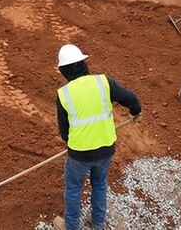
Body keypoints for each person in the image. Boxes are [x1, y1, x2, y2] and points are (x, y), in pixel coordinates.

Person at [53, 44, 141, 230]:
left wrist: (73, 142)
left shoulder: (64, 95)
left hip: (79, 154)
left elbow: (64, 133)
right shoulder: (103, 82)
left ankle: (71, 226)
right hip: (106, 148)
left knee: (74, 189)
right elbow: (132, 99)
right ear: (84, 64)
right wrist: (135, 112)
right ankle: (98, 224)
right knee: (99, 185)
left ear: (63, 71)